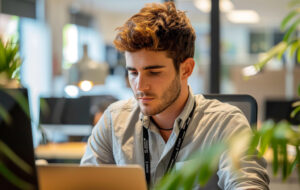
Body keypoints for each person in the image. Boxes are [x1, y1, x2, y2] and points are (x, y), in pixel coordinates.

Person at [81, 2, 269, 189]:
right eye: (133, 73)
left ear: (186, 69)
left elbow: (248, 185)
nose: (140, 86)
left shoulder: (224, 123)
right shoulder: (113, 122)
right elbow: (83, 185)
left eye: (154, 72)